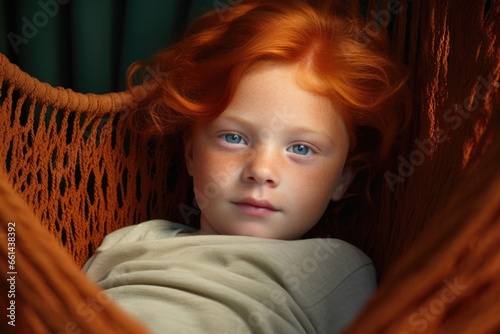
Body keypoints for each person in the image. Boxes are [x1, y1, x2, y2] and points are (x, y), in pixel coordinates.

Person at [83, 0, 411, 333]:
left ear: (341, 179)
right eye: (234, 138)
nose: (261, 170)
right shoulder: (135, 240)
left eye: (301, 148)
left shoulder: (335, 267)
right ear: (192, 155)